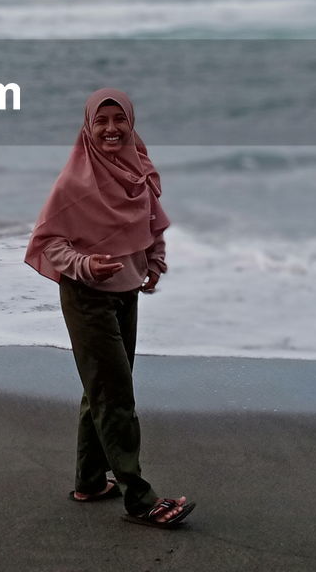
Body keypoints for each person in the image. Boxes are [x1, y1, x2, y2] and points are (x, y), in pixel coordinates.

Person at [24, 88, 195, 529]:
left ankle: (90, 481)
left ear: (131, 123)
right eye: (101, 121)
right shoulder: (72, 183)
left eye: (120, 120)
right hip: (86, 296)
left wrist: (154, 261)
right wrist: (84, 264)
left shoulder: (137, 170)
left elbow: (150, 220)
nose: (111, 129)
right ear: (88, 127)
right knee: (115, 396)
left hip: (125, 291)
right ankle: (140, 500)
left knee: (101, 390)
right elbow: (48, 241)